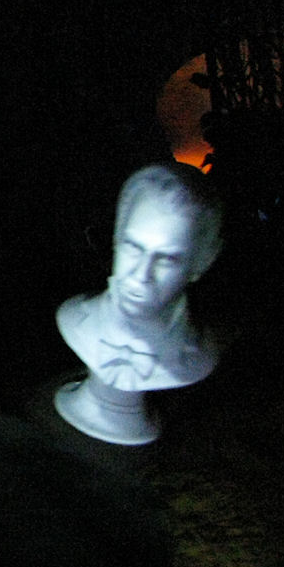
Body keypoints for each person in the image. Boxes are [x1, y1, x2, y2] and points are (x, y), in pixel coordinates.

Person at [56, 162, 222, 394]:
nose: (141, 274)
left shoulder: (197, 355)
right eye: (133, 247)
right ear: (117, 238)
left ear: (200, 263)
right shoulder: (76, 317)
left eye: (166, 259)